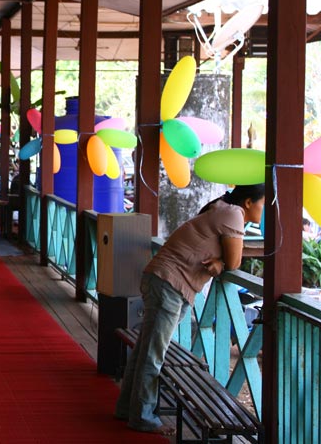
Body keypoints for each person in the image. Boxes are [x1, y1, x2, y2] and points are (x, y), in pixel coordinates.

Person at [114, 184, 266, 435]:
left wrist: (222, 261)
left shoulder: (222, 209)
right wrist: (223, 263)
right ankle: (142, 416)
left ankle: (126, 408)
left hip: (163, 280)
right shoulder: (234, 214)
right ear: (249, 202)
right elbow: (235, 261)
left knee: (146, 350)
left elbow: (232, 253)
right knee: (153, 353)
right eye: (263, 203)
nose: (264, 209)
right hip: (169, 284)